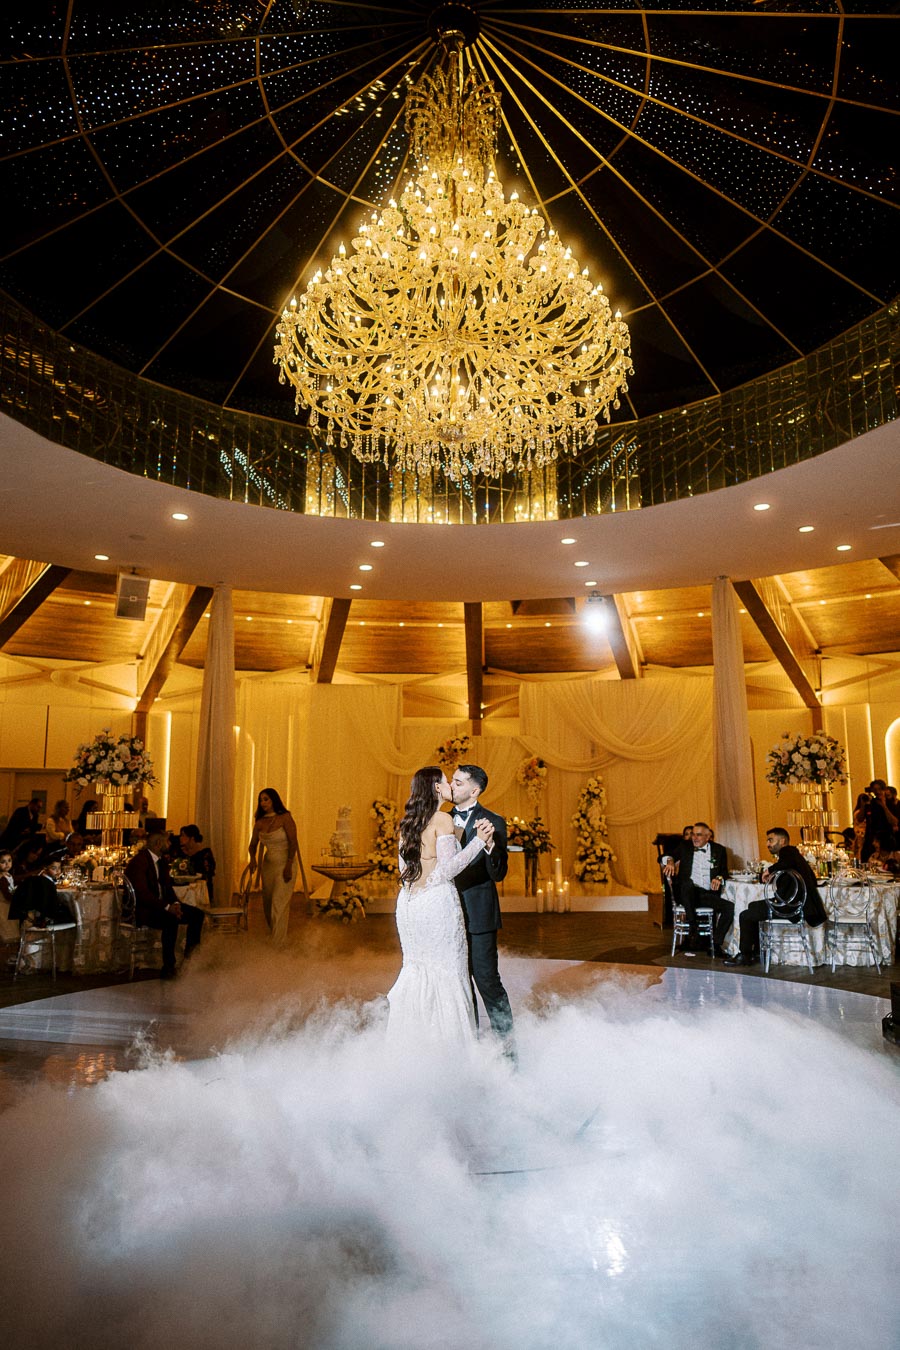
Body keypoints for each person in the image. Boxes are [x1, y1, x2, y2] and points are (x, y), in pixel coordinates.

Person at [387, 766, 493, 1047]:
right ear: (436, 788)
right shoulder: (442, 820)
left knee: (417, 969)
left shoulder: (408, 822)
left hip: (410, 905)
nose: (449, 786)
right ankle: (451, 1048)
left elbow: (404, 869)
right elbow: (448, 869)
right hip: (436, 905)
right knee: (447, 972)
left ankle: (413, 1045)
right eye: (446, 781)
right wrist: (479, 843)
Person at [449, 763, 517, 1060]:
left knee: (487, 980)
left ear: (474, 790)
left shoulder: (494, 821)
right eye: (452, 781)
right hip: (447, 913)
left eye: (458, 783)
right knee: (458, 982)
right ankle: (470, 1047)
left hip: (479, 913)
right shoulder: (440, 820)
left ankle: (508, 1049)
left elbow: (499, 872)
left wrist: (489, 845)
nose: (452, 786)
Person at [724, 827, 826, 967]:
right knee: (752, 907)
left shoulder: (788, 851)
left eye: (770, 840)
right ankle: (756, 952)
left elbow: (786, 863)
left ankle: (746, 955)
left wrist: (769, 870)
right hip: (796, 904)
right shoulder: (795, 856)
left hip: (789, 906)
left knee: (745, 915)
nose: (768, 844)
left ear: (782, 841)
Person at [124, 829, 205, 979]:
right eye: (167, 841)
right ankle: (168, 967)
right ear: (158, 843)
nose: (170, 844)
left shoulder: (161, 861)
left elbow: (167, 888)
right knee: (170, 919)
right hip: (144, 910)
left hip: (160, 907)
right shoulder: (139, 861)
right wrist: (168, 908)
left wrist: (175, 904)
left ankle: (190, 961)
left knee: (197, 914)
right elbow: (142, 894)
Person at [661, 821, 733, 957]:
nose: (694, 838)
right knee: (687, 884)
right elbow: (664, 856)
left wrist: (718, 878)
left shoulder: (719, 850)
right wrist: (670, 861)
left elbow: (724, 872)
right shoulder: (685, 846)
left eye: (699, 835)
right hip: (686, 893)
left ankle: (716, 945)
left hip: (705, 894)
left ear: (708, 836)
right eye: (693, 834)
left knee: (729, 907)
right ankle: (693, 927)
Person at [248, 788, 299, 946]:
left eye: (266, 799)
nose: (263, 803)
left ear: (274, 800)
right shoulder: (259, 823)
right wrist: (253, 859)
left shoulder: (285, 817)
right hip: (269, 865)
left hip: (286, 863)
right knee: (268, 904)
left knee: (279, 903)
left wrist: (289, 864)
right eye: (261, 800)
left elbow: (293, 842)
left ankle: (278, 946)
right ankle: (276, 937)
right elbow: (252, 845)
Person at [7, 849, 71, 926]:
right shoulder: (44, 883)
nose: (57, 871)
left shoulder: (41, 880)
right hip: (45, 918)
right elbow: (47, 905)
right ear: (45, 868)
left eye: (59, 868)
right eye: (54, 868)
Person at [178, 824, 216, 904]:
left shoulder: (205, 853)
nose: (180, 838)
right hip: (186, 887)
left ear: (192, 838)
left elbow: (208, 873)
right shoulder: (182, 853)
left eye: (183, 835)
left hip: (201, 888)